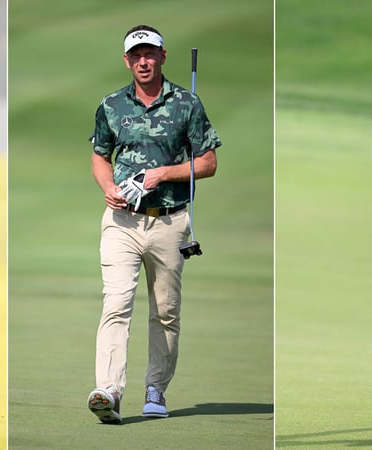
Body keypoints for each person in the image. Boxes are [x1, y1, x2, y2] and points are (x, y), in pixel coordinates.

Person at [86, 25, 221, 424]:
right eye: (136, 55)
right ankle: (109, 391)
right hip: (122, 223)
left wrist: (163, 174)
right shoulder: (111, 105)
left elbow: (208, 164)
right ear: (127, 60)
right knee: (116, 302)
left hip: (170, 221)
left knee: (165, 311)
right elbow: (99, 155)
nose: (143, 61)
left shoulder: (187, 104)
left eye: (150, 53)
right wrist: (108, 185)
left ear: (163, 56)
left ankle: (155, 389)